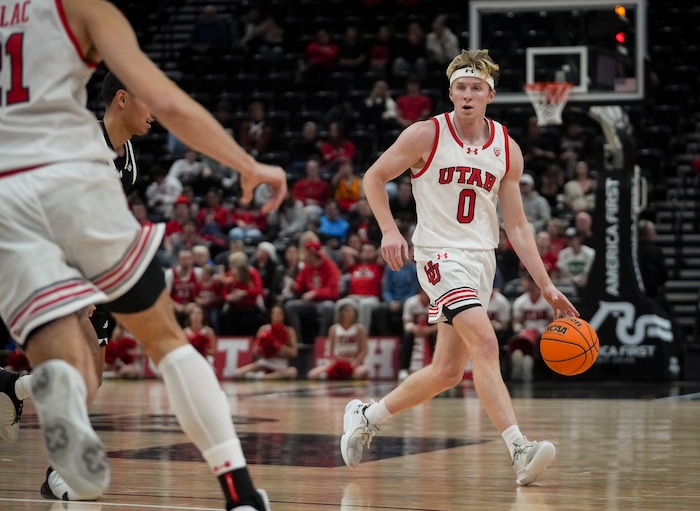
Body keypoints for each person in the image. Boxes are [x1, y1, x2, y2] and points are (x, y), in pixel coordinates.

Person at [0, 2, 286, 509]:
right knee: (161, 343)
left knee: (82, 361)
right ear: (121, 97)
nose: (149, 115)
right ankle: (238, 493)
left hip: (12, 198)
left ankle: (22, 389)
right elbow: (168, 101)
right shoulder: (83, 12)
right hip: (67, 190)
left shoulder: (128, 155)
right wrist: (245, 163)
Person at [340, 49, 578, 487]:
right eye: (461, 88)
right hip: (438, 255)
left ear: (490, 94)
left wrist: (545, 285)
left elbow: (519, 226)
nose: (468, 95)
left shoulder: (507, 147)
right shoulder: (425, 134)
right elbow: (373, 177)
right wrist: (390, 231)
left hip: (481, 259)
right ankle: (519, 448)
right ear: (450, 93)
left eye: (476, 88)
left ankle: (366, 415)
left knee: (447, 372)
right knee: (486, 345)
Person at [234, 305, 298, 380]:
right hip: (265, 362)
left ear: (284, 315)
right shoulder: (264, 329)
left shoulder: (289, 330)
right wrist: (266, 348)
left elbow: (294, 352)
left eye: (279, 313)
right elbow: (255, 350)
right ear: (271, 315)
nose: (277, 315)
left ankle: (262, 377)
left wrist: (280, 347)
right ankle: (262, 376)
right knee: (237, 373)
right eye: (274, 313)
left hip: (281, 365)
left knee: (292, 372)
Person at [307, 303, 369, 380]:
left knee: (361, 372)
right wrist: (334, 361)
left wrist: (356, 361)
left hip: (353, 361)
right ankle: (334, 375)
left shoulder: (359, 328)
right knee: (312, 374)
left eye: (352, 311)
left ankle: (340, 376)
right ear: (341, 313)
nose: (350, 313)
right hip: (337, 361)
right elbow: (328, 350)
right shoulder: (334, 328)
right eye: (347, 311)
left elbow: (364, 350)